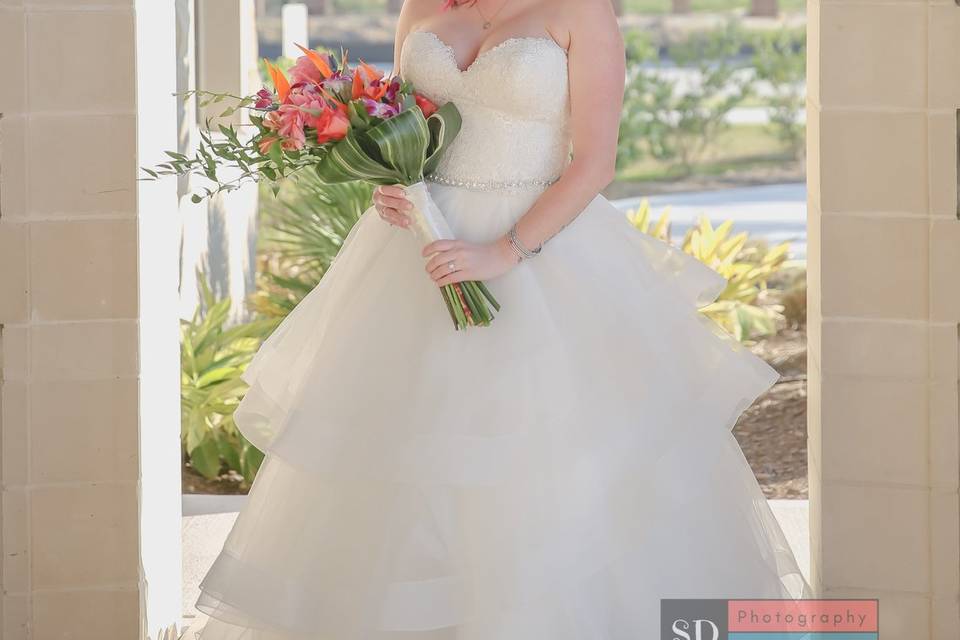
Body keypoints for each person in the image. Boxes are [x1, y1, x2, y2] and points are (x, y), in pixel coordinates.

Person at [194, 0, 812, 637]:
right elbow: (411, 128)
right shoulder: (420, 9)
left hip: (540, 253)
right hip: (417, 252)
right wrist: (390, 181)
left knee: (542, 456)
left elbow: (595, 161)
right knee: (401, 453)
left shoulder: (580, 13)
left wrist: (502, 252)